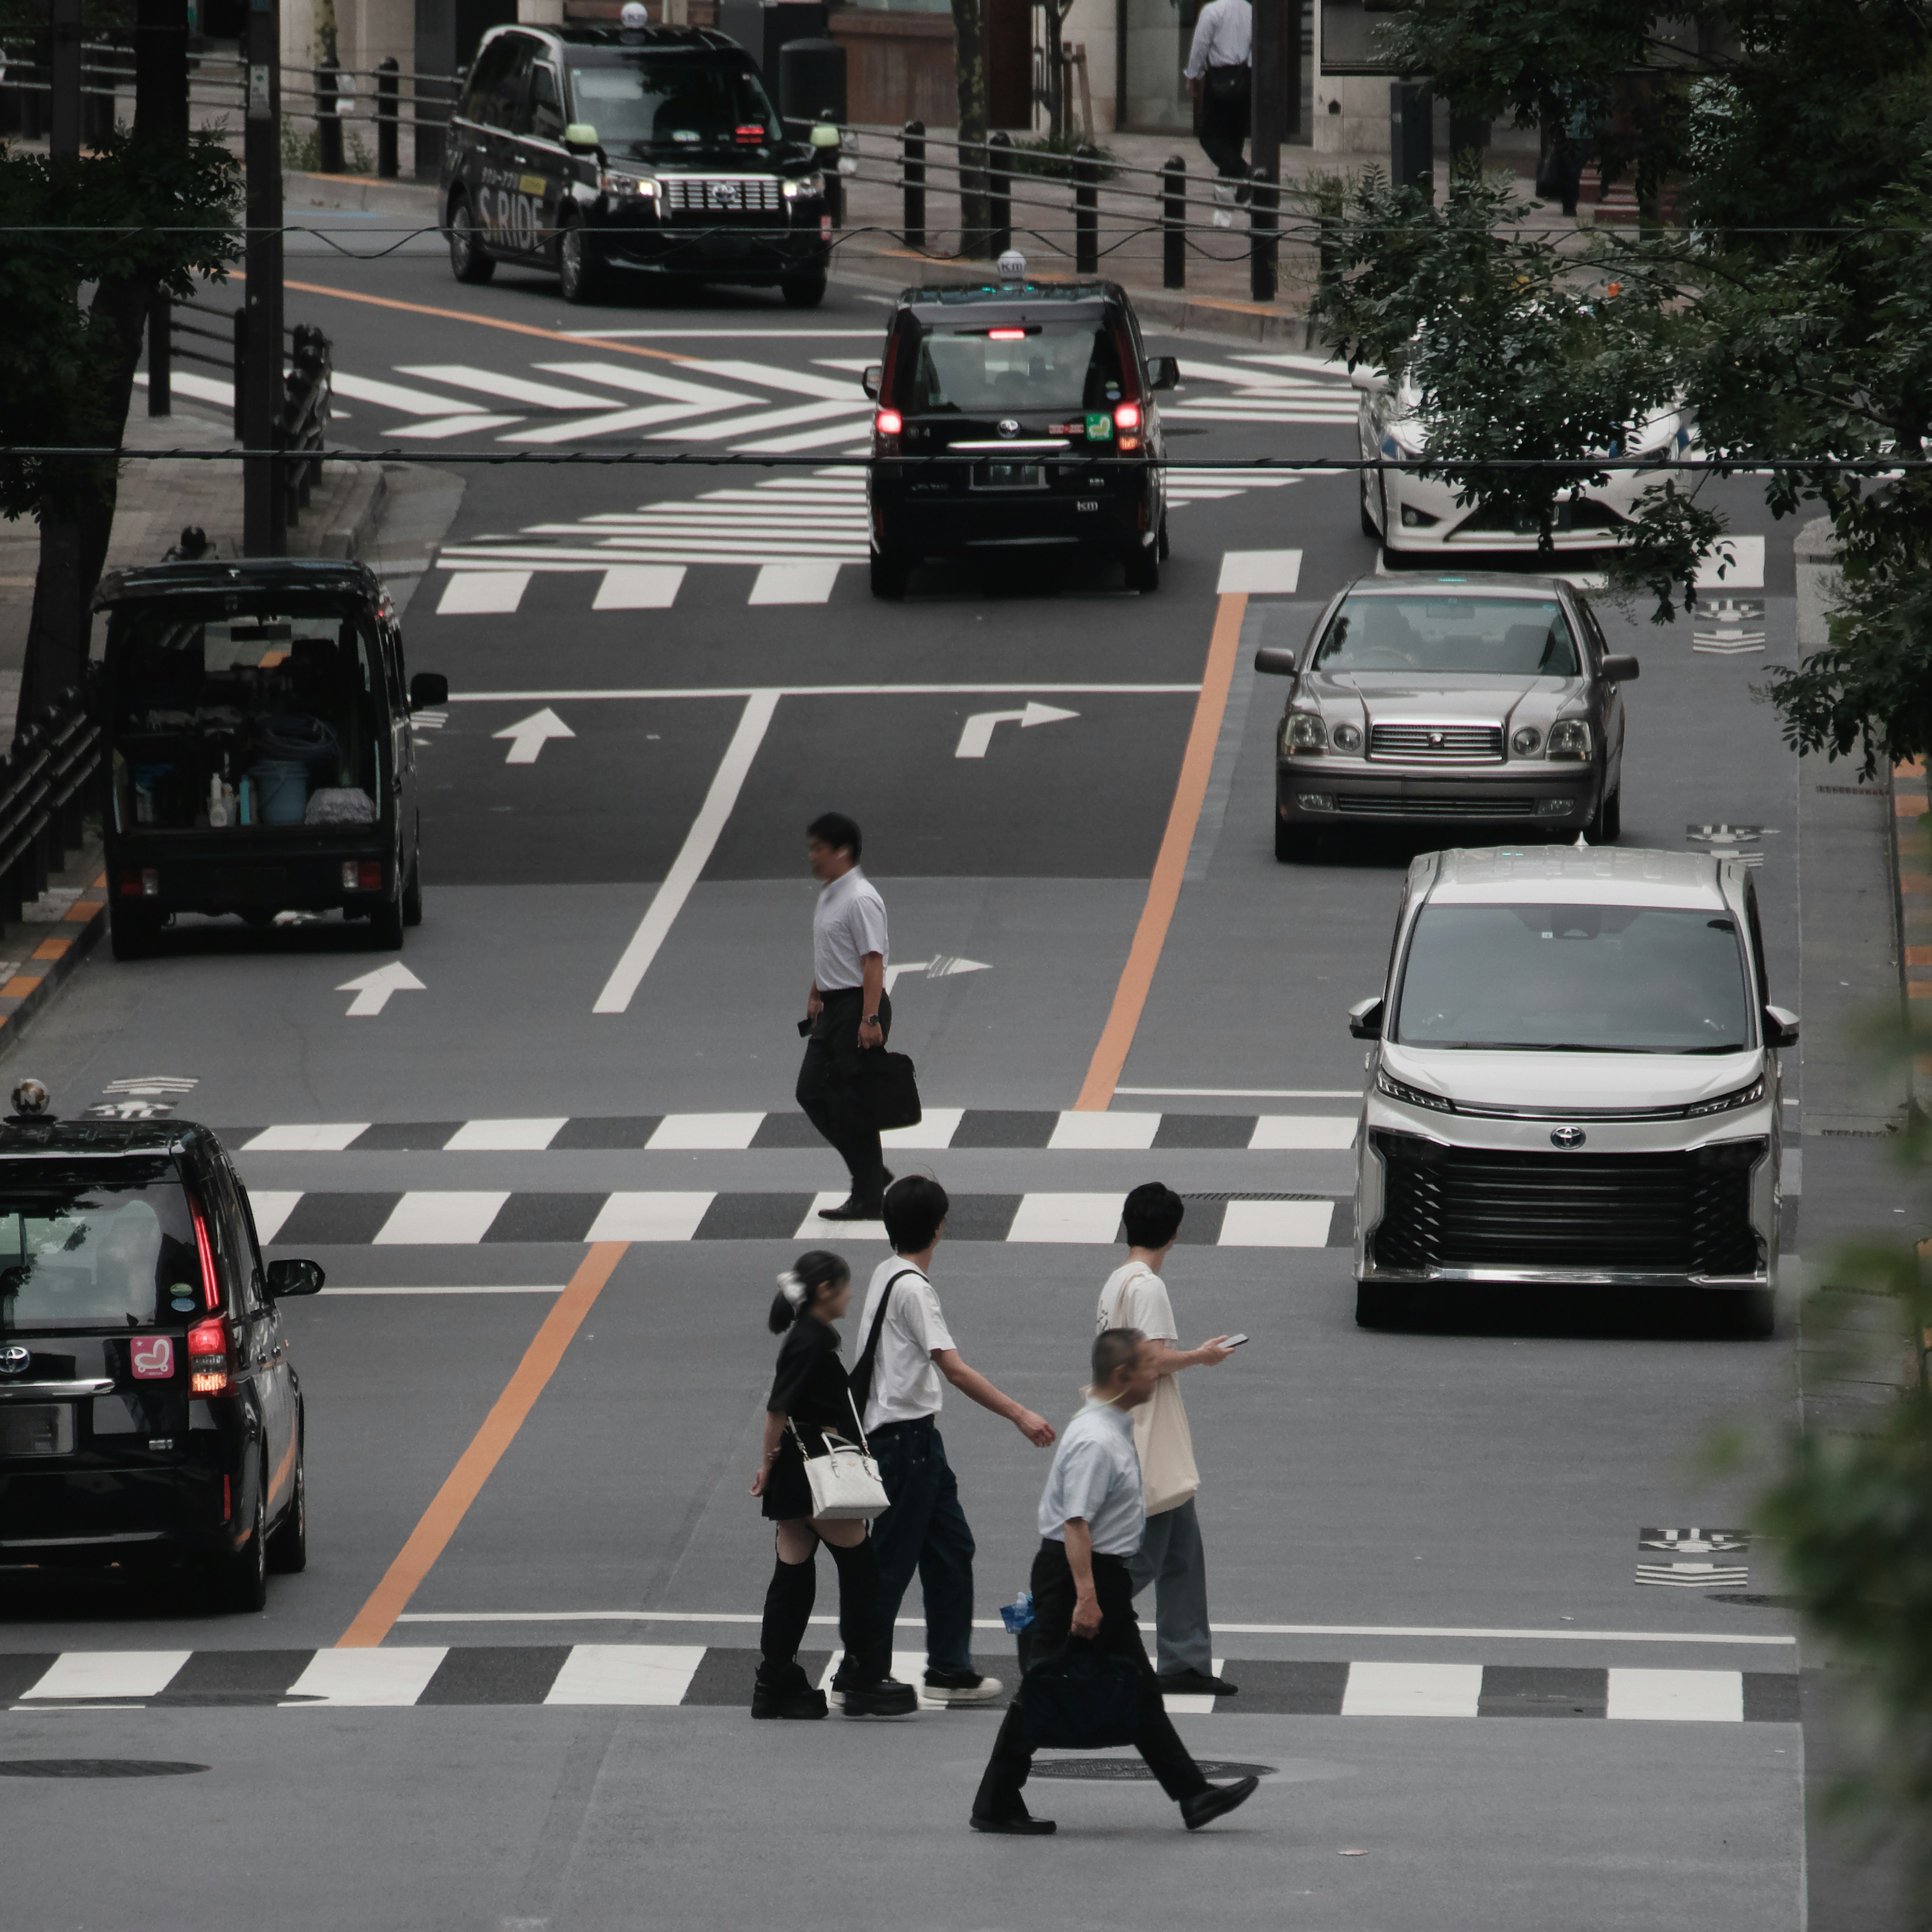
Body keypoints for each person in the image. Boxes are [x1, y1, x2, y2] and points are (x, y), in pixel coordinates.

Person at [970, 1329, 1259, 1835]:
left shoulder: (1112, 1424)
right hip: (1079, 1575)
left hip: (1098, 1573)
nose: (1158, 1373)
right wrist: (1087, 1597)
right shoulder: (1095, 1439)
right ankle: (995, 1801)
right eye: (1151, 1366)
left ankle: (1192, 1795)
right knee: (1045, 1685)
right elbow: (1075, 1522)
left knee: (1137, 1686)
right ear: (1124, 1377)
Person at [841, 1175, 1057, 1707]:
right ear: (938, 1228)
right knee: (890, 1563)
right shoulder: (915, 1288)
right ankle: (860, 1676)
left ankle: (949, 1669)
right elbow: (954, 1370)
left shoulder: (887, 1273)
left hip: (914, 1443)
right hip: (904, 1445)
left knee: (951, 1549)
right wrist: (1020, 1414)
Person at [751, 1250, 920, 1719]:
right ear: (825, 1292)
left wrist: (772, 1467)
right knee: (862, 1569)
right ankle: (862, 1675)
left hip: (796, 1472)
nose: (849, 1295)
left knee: (794, 1574)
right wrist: (765, 1465)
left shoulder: (809, 1337)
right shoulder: (810, 1341)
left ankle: (776, 1678)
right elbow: (777, 1409)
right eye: (845, 1287)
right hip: (816, 1471)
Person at [1098, 1182, 1237, 1698]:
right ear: (1175, 1234)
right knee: (1146, 1556)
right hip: (1149, 1433)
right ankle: (1069, 1616)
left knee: (1181, 1552)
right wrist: (1201, 1356)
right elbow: (1152, 1360)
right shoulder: (1149, 1287)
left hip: (1131, 1422)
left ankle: (1185, 1661)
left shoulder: (1116, 1282)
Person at [797, 813, 893, 1222]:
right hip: (835, 1006)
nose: (812, 856)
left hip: (858, 1006)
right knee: (812, 1093)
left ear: (843, 852)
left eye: (819, 848)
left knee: (849, 1102)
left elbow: (873, 961)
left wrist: (870, 1019)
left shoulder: (861, 898)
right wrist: (816, 991)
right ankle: (872, 1174)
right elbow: (832, 951)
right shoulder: (830, 894)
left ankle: (868, 1192)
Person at [1185, 0, 1253, 203]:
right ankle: (1228, 193)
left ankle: (1243, 172)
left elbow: (1200, 45)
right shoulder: (1250, 11)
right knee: (1234, 137)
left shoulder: (1212, 11)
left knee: (1209, 136)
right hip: (1244, 77)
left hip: (1220, 78)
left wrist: (1194, 76)